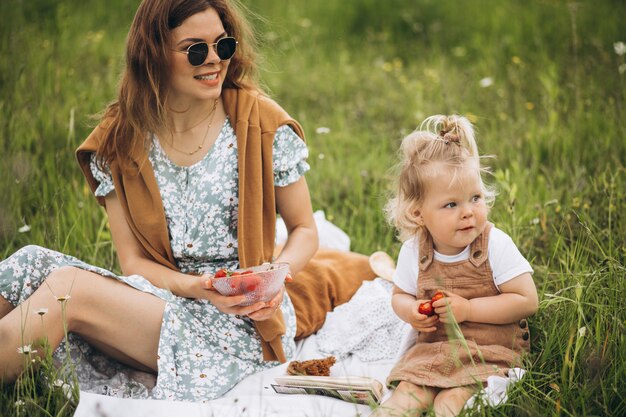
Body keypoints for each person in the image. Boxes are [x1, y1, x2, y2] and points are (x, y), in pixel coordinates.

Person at [0, 0, 374, 402]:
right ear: (154, 54)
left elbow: (304, 229)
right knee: (28, 261)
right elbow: (134, 265)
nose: (214, 60)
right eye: (196, 49)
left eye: (222, 46)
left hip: (238, 323)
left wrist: (275, 277)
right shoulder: (120, 140)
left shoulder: (262, 126)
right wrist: (195, 287)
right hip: (166, 298)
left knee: (69, 289)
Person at [374, 115, 538, 417]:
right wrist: (410, 311)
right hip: (433, 349)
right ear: (419, 213)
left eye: (475, 198)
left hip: (488, 351)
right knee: (405, 397)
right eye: (451, 204)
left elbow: (527, 300)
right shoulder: (415, 251)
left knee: (449, 403)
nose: (468, 212)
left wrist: (470, 310)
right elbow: (400, 295)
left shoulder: (494, 244)